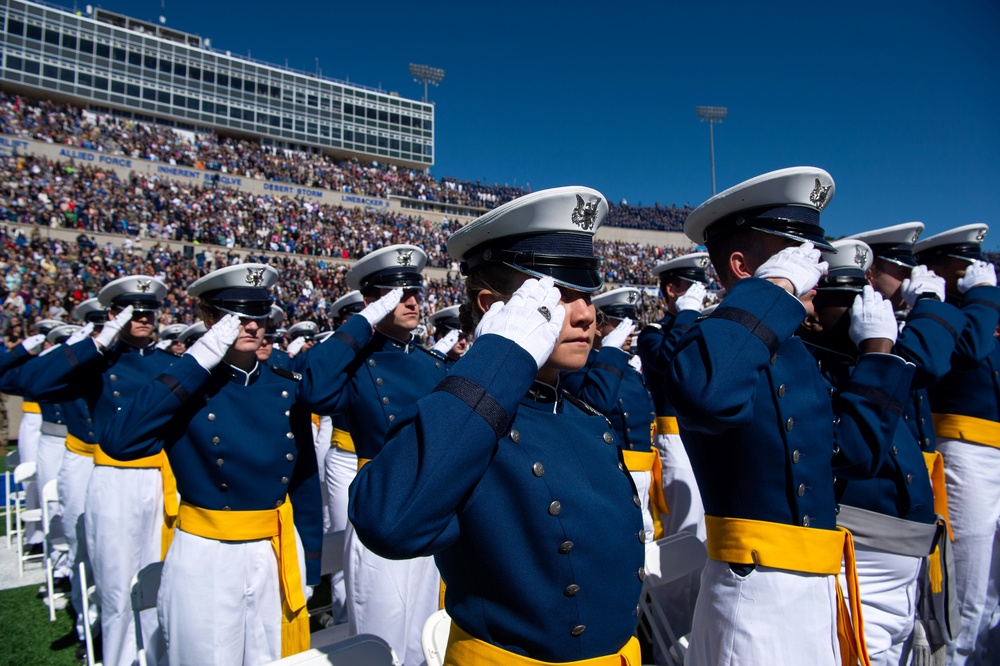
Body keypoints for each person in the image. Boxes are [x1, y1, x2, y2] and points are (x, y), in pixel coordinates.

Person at [350, 186, 646, 664]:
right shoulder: (460, 412)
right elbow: (388, 522)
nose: (587, 314)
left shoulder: (583, 414)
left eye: (587, 294)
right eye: (560, 295)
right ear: (494, 308)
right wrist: (501, 355)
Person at [666, 167, 916, 665]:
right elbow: (708, 392)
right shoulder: (711, 344)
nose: (816, 271)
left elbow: (855, 453)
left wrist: (878, 355)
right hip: (754, 595)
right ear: (742, 266)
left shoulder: (795, 352)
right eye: (795, 256)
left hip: (820, 590)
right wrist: (776, 287)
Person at [100, 263, 332, 665]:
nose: (251, 326)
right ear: (209, 319)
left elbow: (303, 481)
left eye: (258, 314)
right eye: (235, 316)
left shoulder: (283, 384)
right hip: (206, 553)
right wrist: (199, 357)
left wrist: (309, 563)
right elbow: (120, 441)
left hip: (273, 550)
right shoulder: (186, 382)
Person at [800, 238, 961, 665]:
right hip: (857, 568)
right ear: (813, 317)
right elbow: (852, 449)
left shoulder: (872, 358)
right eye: (849, 301)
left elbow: (928, 361)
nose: (866, 309)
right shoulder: (810, 370)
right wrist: (875, 351)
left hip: (906, 565)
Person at [16, 275, 177, 666]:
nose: (142, 318)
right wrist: (98, 340)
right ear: (114, 314)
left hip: (163, 478)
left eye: (148, 311)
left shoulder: (169, 363)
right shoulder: (96, 361)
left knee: (163, 581)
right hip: (114, 476)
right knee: (117, 585)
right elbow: (31, 381)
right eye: (133, 311)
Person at [302, 243, 447, 665]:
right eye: (398, 294)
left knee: (428, 636)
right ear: (374, 300)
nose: (413, 301)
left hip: (430, 510)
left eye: (415, 292)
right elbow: (314, 389)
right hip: (380, 507)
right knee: (381, 643)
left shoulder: (433, 363)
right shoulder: (355, 365)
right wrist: (363, 321)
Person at [913, 224, 1000, 665]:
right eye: (962, 265)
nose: (972, 271)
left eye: (976, 264)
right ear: (937, 269)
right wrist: (984, 295)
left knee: (994, 584)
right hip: (965, 449)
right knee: (968, 576)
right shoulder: (942, 313)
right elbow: (969, 348)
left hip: (992, 450)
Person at [561, 286, 660, 541]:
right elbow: (596, 402)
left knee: (648, 538)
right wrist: (612, 352)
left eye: (630, 322)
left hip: (644, 470)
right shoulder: (580, 367)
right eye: (619, 323)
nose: (628, 330)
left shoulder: (628, 369)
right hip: (611, 469)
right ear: (596, 327)